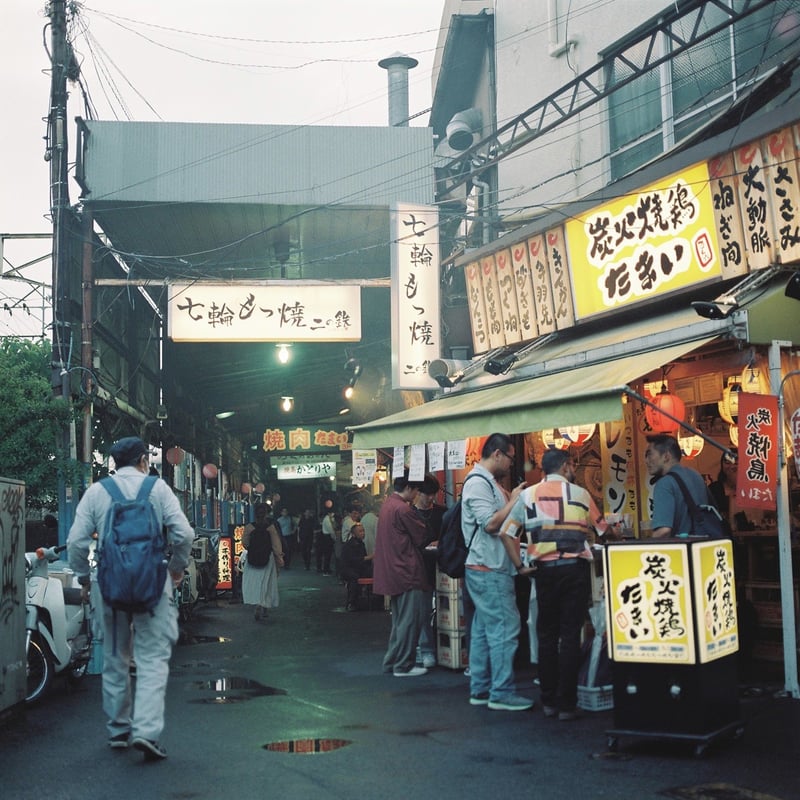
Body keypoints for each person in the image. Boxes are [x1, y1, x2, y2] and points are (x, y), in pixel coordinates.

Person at [67, 436, 194, 761]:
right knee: (151, 659)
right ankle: (147, 732)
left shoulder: (97, 492)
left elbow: (76, 544)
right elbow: (184, 534)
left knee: (114, 657)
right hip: (153, 585)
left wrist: (84, 578)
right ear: (142, 460)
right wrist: (176, 570)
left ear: (114, 462)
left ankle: (119, 729)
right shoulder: (158, 489)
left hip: (109, 587)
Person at [502, 448, 615, 721]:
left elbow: (507, 533)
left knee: (547, 636)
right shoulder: (582, 495)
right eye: (573, 464)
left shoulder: (527, 495)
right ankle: (567, 705)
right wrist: (616, 531)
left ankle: (549, 701)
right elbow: (603, 530)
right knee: (570, 636)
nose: (573, 468)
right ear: (565, 466)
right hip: (574, 572)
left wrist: (519, 566)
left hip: (544, 572)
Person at [462, 433, 532, 711]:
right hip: (488, 566)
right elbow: (490, 524)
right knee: (505, 627)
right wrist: (513, 499)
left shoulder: (487, 482)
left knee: (481, 629)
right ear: (498, 454)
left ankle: (480, 688)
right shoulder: (478, 483)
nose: (512, 463)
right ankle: (501, 692)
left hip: (484, 566)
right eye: (511, 457)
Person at [373, 471, 432, 677]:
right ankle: (403, 665)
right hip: (407, 570)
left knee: (400, 621)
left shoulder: (388, 505)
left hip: (393, 571)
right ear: (409, 488)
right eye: (416, 490)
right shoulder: (403, 509)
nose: (417, 495)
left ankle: (392, 661)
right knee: (409, 620)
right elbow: (422, 535)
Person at [645, 434, 712, 537]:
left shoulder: (665, 483)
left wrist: (645, 547)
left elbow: (664, 530)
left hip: (681, 549)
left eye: (650, 455)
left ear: (666, 456)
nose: (646, 461)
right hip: (704, 546)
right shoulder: (695, 474)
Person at [413, 473, 446, 669]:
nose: (432, 499)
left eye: (434, 494)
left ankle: (445, 650)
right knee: (423, 611)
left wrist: (442, 542)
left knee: (446, 610)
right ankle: (426, 650)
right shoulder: (409, 513)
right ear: (418, 493)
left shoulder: (443, 513)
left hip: (444, 568)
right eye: (428, 495)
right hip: (422, 569)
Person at [242, 502, 284, 620]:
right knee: (267, 583)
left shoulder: (249, 527)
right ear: (266, 514)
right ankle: (264, 607)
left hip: (252, 559)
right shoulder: (271, 528)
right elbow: (276, 545)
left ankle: (257, 604)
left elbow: (245, 543)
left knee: (255, 584)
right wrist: (279, 557)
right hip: (267, 558)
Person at [339, 522, 374, 610]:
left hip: (358, 568)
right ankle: (351, 602)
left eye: (363, 531)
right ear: (354, 534)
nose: (363, 533)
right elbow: (353, 560)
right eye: (360, 531)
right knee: (354, 577)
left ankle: (376, 600)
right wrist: (368, 557)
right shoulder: (349, 545)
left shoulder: (361, 544)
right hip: (348, 569)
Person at [317, 506, 336, 575]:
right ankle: (326, 569)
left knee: (328, 554)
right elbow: (331, 530)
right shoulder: (327, 520)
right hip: (327, 538)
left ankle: (327, 568)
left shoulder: (328, 519)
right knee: (327, 554)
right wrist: (334, 538)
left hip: (327, 538)